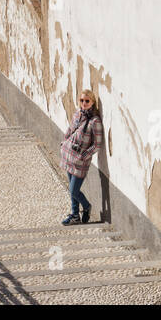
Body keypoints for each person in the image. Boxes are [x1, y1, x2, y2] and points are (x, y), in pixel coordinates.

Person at [60, 88, 103, 225]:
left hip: (80, 161)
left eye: (87, 101)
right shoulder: (77, 114)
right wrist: (64, 142)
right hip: (69, 155)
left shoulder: (94, 121)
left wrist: (84, 156)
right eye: (82, 100)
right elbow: (70, 130)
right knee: (72, 191)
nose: (84, 103)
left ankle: (86, 206)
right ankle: (74, 215)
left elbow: (97, 144)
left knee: (73, 190)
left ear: (92, 102)